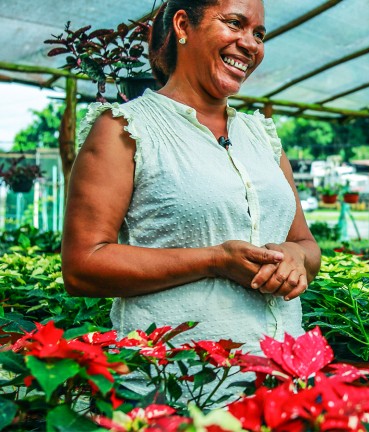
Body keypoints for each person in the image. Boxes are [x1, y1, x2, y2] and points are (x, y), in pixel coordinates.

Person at [61, 0, 320, 355]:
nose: (250, 43)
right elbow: (82, 266)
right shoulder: (125, 129)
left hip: (283, 374)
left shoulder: (262, 137)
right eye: (234, 23)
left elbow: (307, 245)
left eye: (259, 34)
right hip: (181, 380)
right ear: (183, 26)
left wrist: (294, 256)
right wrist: (214, 260)